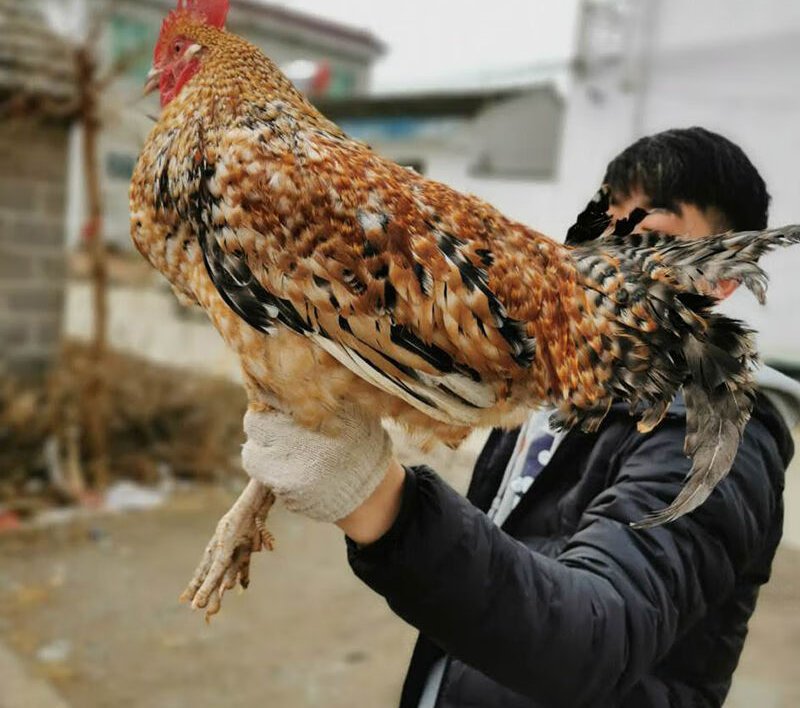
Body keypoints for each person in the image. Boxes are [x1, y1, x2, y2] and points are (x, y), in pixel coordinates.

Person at [241, 127, 800, 707]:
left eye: (651, 235)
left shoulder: (717, 441)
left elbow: (593, 640)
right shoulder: (577, 385)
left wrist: (381, 502)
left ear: (724, 277)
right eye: (606, 222)